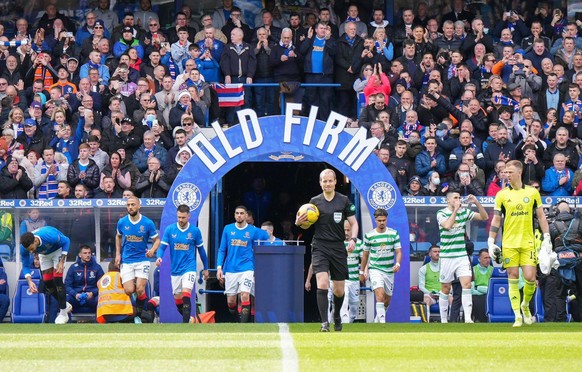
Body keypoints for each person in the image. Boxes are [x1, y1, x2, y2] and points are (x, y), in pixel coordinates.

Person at [488, 160, 552, 327]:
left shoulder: (532, 193)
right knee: (513, 277)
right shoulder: (502, 195)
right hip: (509, 243)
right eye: (505, 172)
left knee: (530, 278)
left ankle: (525, 305)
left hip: (528, 242)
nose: (506, 175)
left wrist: (547, 236)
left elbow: (541, 216)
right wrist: (491, 240)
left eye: (510, 172)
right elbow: (496, 219)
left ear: (519, 173)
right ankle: (517, 315)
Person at [296, 169, 358, 332]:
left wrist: (353, 239)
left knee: (339, 289)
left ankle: (336, 315)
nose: (327, 184)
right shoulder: (314, 202)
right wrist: (298, 222)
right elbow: (306, 225)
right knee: (322, 283)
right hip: (320, 246)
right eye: (324, 181)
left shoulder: (344, 200)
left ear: (335, 182)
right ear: (320, 183)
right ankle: (324, 322)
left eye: (330, 181)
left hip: (338, 247)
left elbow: (354, 223)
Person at [437, 192, 488, 323]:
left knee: (466, 285)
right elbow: (447, 226)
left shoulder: (464, 212)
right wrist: (455, 210)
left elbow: (484, 217)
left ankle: (467, 319)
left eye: (459, 198)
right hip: (447, 256)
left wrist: (476, 202)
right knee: (445, 288)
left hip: (461, 255)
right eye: (455, 198)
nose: (458, 200)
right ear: (448, 200)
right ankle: (443, 320)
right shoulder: (441, 213)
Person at [156, 204, 209, 323]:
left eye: (183, 217)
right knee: (178, 299)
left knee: (186, 294)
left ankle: (184, 325)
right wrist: (159, 257)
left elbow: (201, 251)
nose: (180, 220)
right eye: (179, 217)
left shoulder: (195, 231)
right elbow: (162, 247)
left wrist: (206, 268)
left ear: (188, 216)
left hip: (189, 267)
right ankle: (189, 319)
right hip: (175, 270)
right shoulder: (170, 229)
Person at [216, 205, 269, 323]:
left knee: (245, 295)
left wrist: (260, 264)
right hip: (230, 269)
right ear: (234, 215)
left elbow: (266, 237)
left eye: (241, 213)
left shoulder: (253, 231)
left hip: (247, 268)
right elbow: (222, 249)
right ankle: (238, 322)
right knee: (231, 302)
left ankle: (244, 326)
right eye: (237, 213)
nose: (239, 215)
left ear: (246, 215)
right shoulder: (228, 229)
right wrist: (219, 267)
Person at [115, 196, 160, 323]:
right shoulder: (122, 222)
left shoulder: (147, 223)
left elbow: (157, 240)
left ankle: (139, 315)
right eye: (128, 205)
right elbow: (118, 237)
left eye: (133, 204)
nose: (130, 207)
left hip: (142, 260)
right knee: (129, 290)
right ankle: (140, 308)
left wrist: (152, 251)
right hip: (127, 260)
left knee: (140, 289)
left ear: (139, 206)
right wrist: (118, 254)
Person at [20, 226, 73, 324]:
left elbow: (66, 241)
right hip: (44, 255)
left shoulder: (49, 235)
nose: (31, 252)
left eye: (31, 248)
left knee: (57, 279)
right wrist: (29, 281)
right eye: (29, 250)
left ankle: (63, 313)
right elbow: (25, 265)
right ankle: (65, 304)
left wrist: (62, 261)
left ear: (35, 241)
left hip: (58, 251)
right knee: (47, 282)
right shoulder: (24, 248)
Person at [361, 208, 401, 323]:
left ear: (386, 220)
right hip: (375, 269)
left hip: (389, 271)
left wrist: (397, 263)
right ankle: (382, 324)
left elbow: (398, 251)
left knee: (386, 300)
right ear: (375, 220)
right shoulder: (369, 235)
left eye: (383, 220)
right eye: (379, 220)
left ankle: (377, 321)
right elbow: (365, 255)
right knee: (379, 294)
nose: (382, 222)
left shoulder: (393, 233)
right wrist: (361, 271)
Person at [65, 245, 104, 313]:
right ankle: (67, 322)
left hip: (92, 296)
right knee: (67, 300)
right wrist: (75, 294)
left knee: (101, 299)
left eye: (89, 253)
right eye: (85, 253)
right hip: (76, 296)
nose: (88, 255)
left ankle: (99, 322)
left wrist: (92, 293)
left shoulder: (97, 268)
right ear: (80, 255)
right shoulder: (73, 268)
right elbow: (67, 286)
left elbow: (103, 285)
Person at [339, 220, 363, 324]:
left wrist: (364, 272)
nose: (346, 232)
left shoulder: (360, 243)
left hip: (354, 279)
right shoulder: (337, 243)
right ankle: (344, 324)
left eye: (348, 230)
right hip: (342, 279)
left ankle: (349, 323)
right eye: (344, 230)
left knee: (353, 307)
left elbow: (364, 260)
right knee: (343, 303)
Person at [471, 248, 493, 322]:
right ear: (479, 259)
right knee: (478, 299)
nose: (488, 260)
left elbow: (494, 290)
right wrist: (486, 291)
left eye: (489, 258)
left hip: (490, 295)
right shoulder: (473, 270)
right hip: (477, 296)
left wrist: (479, 288)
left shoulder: (493, 270)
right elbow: (472, 290)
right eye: (485, 258)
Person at [418, 245, 441, 315]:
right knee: (426, 301)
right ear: (430, 254)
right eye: (435, 252)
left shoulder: (446, 268)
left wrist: (443, 293)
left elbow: (450, 285)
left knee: (452, 300)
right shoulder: (423, 269)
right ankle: (426, 323)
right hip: (429, 295)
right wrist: (429, 293)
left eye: (439, 252)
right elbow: (421, 286)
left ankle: (450, 323)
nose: (437, 253)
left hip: (443, 294)